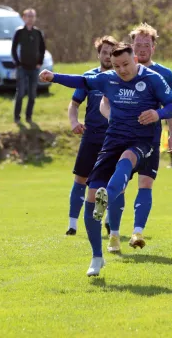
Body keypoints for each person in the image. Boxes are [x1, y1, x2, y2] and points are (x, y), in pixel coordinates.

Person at [39, 42, 172, 276]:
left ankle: (110, 198)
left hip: (142, 141)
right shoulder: (108, 79)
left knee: (127, 158)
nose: (122, 69)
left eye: (125, 64)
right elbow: (82, 81)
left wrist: (158, 113)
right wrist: (54, 77)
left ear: (135, 59)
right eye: (116, 66)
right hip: (112, 139)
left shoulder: (153, 79)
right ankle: (96, 257)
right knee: (91, 195)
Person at [98, 22, 172, 251]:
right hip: (121, 139)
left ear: (154, 47)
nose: (142, 48)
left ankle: (137, 233)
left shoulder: (163, 74)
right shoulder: (118, 71)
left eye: (146, 44)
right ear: (132, 46)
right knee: (120, 183)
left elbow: (171, 105)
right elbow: (104, 103)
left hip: (149, 138)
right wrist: (115, 120)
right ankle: (114, 234)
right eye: (138, 44)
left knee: (146, 182)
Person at [65, 36, 116, 236]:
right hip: (91, 136)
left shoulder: (122, 79)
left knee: (113, 182)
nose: (107, 56)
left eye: (111, 53)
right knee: (80, 179)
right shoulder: (88, 78)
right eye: (104, 52)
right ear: (98, 54)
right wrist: (74, 122)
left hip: (113, 138)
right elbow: (74, 104)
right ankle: (72, 225)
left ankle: (111, 222)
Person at [12, 8, 46, 124]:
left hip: (34, 69)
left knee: (32, 94)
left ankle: (28, 117)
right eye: (28, 16)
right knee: (20, 93)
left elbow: (42, 49)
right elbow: (13, 49)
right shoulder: (19, 32)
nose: (30, 19)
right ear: (24, 18)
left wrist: (39, 63)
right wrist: (17, 63)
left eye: (32, 16)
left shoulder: (37, 33)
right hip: (22, 68)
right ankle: (17, 117)